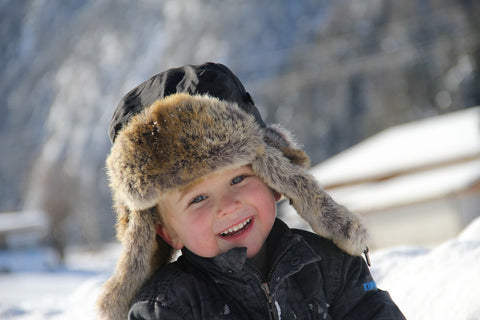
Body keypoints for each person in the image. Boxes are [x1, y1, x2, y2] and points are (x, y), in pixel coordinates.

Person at [97, 62, 405, 320]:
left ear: (275, 180)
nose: (228, 206)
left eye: (238, 180)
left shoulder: (332, 266)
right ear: (166, 232)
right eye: (198, 199)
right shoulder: (167, 307)